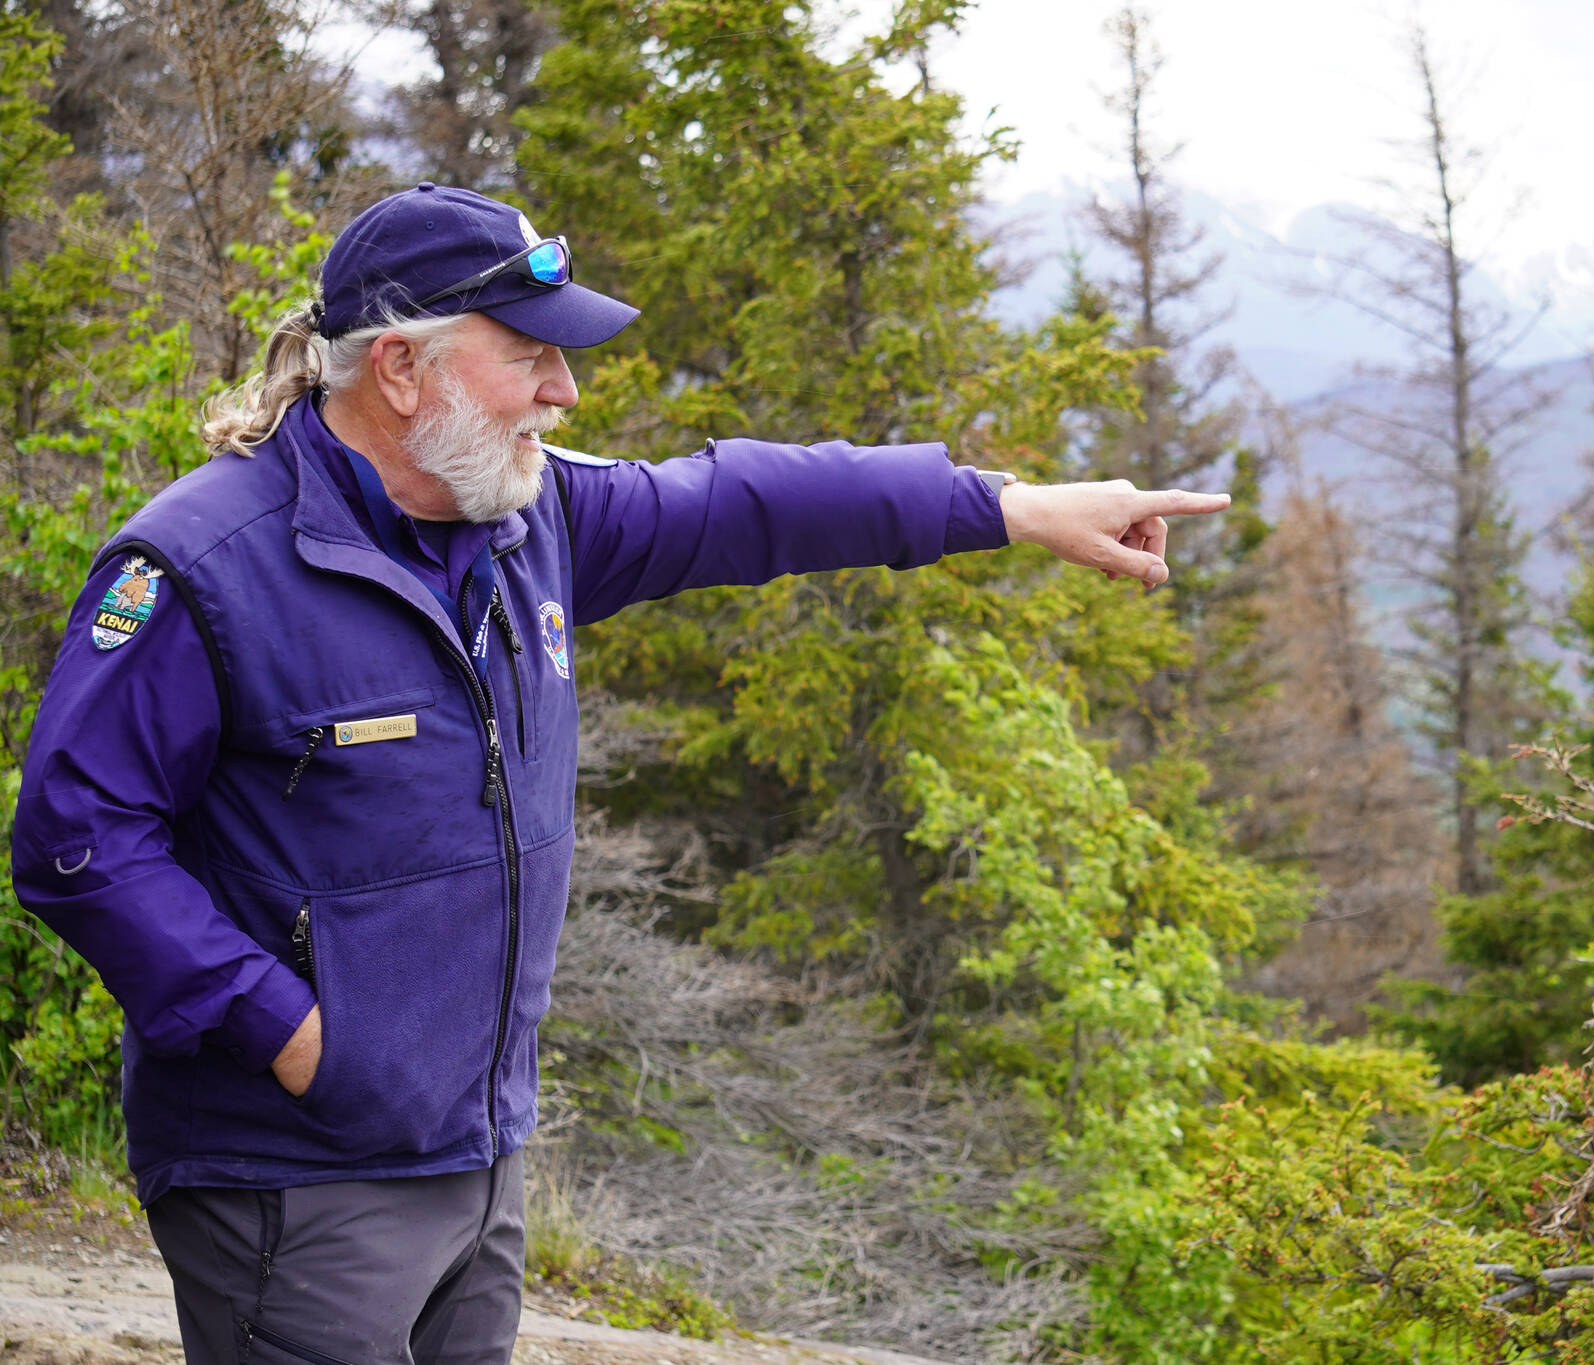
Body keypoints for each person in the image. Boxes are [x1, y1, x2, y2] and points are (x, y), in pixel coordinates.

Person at [9, 183, 1229, 1364]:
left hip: (476, 1156)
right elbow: (77, 840)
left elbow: (751, 501)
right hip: (292, 1171)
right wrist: (283, 1030)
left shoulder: (523, 517)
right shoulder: (202, 567)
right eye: (529, 353)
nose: (565, 389)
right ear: (400, 369)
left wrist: (1009, 507)